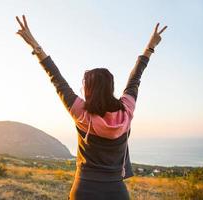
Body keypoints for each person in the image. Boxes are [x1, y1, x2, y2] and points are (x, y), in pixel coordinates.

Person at [15, 14, 167, 200]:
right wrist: (150, 47)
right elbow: (135, 78)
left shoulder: (80, 112)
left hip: (84, 189)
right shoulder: (126, 111)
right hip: (116, 192)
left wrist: (35, 46)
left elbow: (56, 78)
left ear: (88, 89)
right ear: (110, 87)